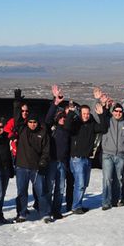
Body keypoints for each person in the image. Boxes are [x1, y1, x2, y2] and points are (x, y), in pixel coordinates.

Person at [64, 90, 106, 214]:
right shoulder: (76, 124)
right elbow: (67, 127)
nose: (86, 115)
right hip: (77, 159)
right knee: (80, 183)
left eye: (88, 113)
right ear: (80, 113)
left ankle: (78, 205)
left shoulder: (91, 125)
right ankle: (75, 207)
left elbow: (103, 128)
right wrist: (71, 113)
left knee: (84, 184)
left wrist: (102, 114)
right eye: (84, 113)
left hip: (87, 159)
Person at [14, 111, 50, 221]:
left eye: (34, 122)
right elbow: (17, 118)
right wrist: (17, 101)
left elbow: (46, 150)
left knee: (41, 191)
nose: (32, 124)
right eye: (30, 122)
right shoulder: (22, 130)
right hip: (22, 166)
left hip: (36, 168)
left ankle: (45, 213)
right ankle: (22, 213)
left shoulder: (43, 133)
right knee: (21, 191)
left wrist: (43, 161)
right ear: (27, 122)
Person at [44, 85, 71, 221]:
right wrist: (55, 102)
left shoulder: (67, 129)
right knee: (49, 188)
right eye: (60, 117)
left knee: (60, 189)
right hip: (52, 161)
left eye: (64, 117)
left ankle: (56, 211)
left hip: (63, 162)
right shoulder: (51, 128)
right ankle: (47, 212)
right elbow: (48, 119)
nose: (62, 119)